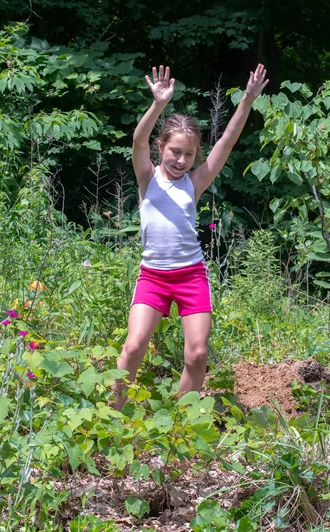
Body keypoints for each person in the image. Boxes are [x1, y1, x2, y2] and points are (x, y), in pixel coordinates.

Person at [113, 64, 268, 410]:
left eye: (189, 154)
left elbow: (226, 142)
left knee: (197, 354)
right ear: (161, 147)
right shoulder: (147, 177)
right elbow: (137, 140)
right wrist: (158, 104)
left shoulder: (194, 182)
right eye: (175, 152)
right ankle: (113, 415)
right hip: (152, 276)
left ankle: (181, 424)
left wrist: (247, 99)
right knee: (134, 346)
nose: (182, 160)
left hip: (190, 275)